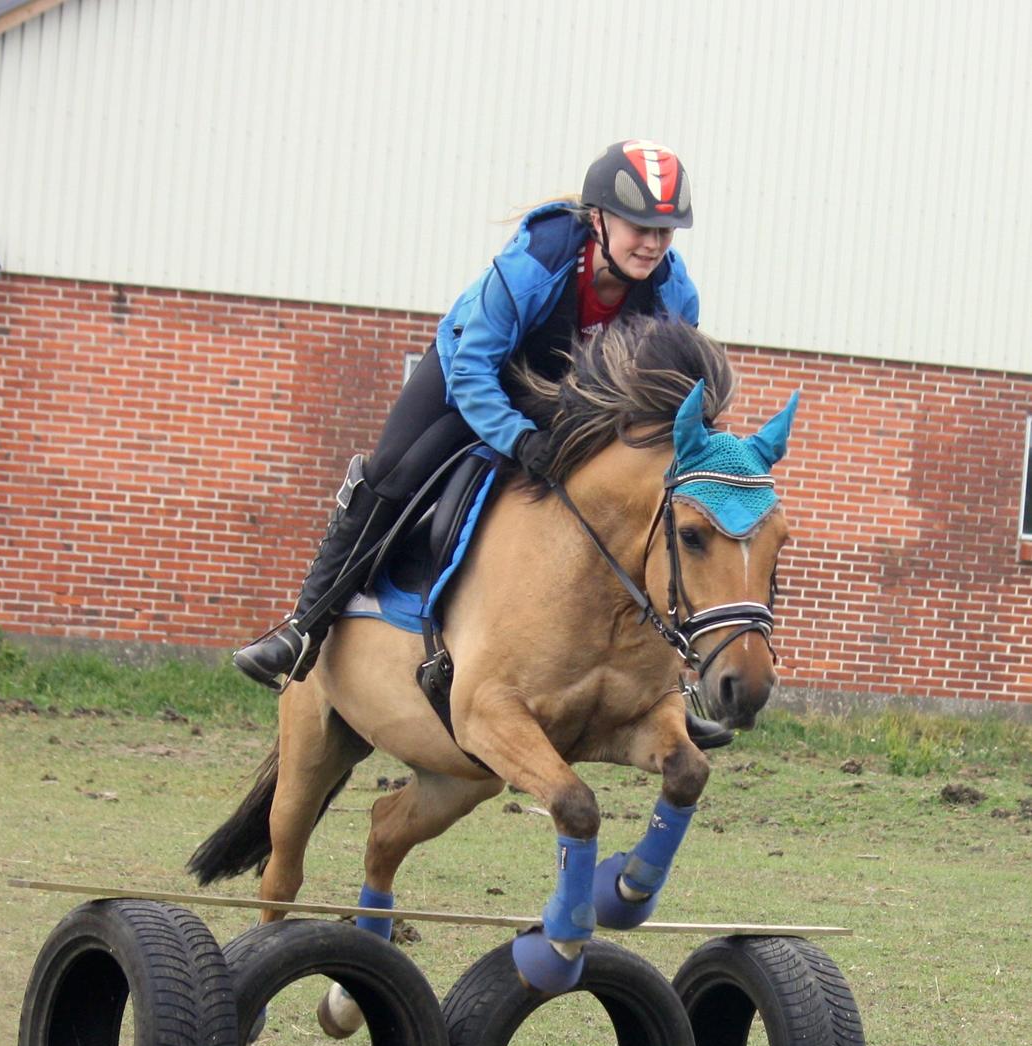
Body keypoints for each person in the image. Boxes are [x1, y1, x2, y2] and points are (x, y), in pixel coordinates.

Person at [234, 140, 707, 713]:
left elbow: (665, 401)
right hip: (475, 373)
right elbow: (473, 371)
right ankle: (304, 627)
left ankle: (672, 689)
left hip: (571, 403)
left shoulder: (674, 295)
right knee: (398, 469)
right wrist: (517, 438)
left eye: (665, 232)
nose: (652, 244)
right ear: (599, 219)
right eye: (640, 228)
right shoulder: (537, 261)